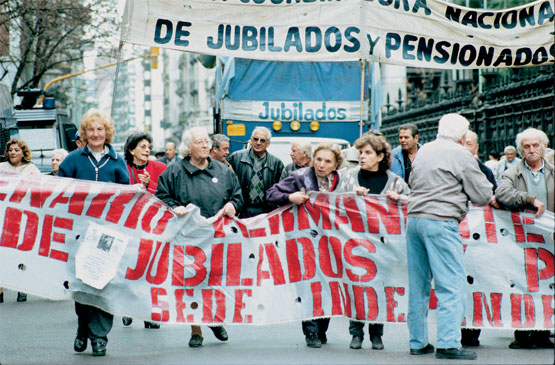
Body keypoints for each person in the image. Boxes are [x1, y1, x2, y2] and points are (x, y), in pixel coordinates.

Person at [406, 113, 497, 361]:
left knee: (418, 285)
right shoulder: (461, 154)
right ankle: (447, 343)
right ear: (462, 135)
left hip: (414, 219)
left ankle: (418, 341)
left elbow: (412, 181)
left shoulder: (424, 151)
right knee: (451, 284)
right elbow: (481, 194)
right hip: (441, 220)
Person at [155, 126, 243, 348]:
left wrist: (233, 205)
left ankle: (213, 319)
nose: (205, 145)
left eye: (207, 141)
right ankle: (196, 330)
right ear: (188, 147)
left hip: (217, 236)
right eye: (199, 142)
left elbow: (237, 194)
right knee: (192, 283)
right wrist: (175, 207)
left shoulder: (223, 171)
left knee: (214, 281)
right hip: (188, 237)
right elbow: (161, 196)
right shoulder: (174, 172)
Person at [58, 108, 129, 356]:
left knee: (104, 283)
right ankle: (82, 327)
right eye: (91, 129)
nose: (96, 134)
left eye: (100, 129)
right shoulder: (72, 160)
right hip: (80, 233)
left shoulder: (118, 162)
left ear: (107, 133)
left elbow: (127, 198)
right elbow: (60, 195)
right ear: (84, 134)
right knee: (82, 285)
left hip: (108, 235)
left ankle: (100, 336)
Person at [266, 144, 344, 349]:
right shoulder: (299, 176)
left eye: (327, 161)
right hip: (304, 240)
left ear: (336, 165)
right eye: (318, 159)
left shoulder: (342, 181)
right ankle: (310, 331)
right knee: (308, 284)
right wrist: (289, 197)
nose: (321, 165)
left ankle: (322, 327)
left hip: (330, 242)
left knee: (328, 284)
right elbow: (271, 194)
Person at [339, 133, 410, 351]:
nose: (362, 157)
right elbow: (333, 203)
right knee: (356, 287)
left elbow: (411, 204)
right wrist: (351, 195)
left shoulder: (395, 182)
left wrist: (399, 200)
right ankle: (356, 332)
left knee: (380, 288)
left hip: (383, 246)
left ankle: (377, 333)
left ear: (380, 157)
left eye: (368, 153)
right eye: (360, 153)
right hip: (355, 244)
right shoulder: (349, 177)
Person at [495, 127, 554, 350]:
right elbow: (503, 193)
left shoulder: (553, 171)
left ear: (543, 147)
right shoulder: (513, 172)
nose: (531, 150)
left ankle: (542, 334)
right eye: (527, 146)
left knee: (546, 286)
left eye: (535, 145)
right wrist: (529, 200)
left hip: (547, 240)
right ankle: (521, 334)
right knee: (520, 284)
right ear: (520, 150)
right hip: (519, 239)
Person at [121, 131, 167, 329]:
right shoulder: (121, 168)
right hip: (128, 227)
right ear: (131, 150)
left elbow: (167, 194)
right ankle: (127, 309)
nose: (147, 150)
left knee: (151, 271)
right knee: (130, 271)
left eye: (149, 146)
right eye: (142, 146)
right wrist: (137, 186)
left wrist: (150, 185)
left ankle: (150, 314)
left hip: (153, 227)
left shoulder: (160, 167)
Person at [0, 137, 40, 303]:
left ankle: (21, 287)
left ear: (24, 152)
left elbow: (41, 189)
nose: (13, 153)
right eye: (10, 150)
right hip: (3, 216)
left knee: (21, 252)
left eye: (16, 150)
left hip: (23, 216)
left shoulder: (31, 169)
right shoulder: (1, 168)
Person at [227, 126, 283, 217]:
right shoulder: (236, 158)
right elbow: (228, 184)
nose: (258, 143)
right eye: (255, 139)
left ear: (268, 144)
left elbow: (279, 190)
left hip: (267, 213)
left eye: (262, 140)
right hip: (241, 211)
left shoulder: (276, 164)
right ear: (251, 140)